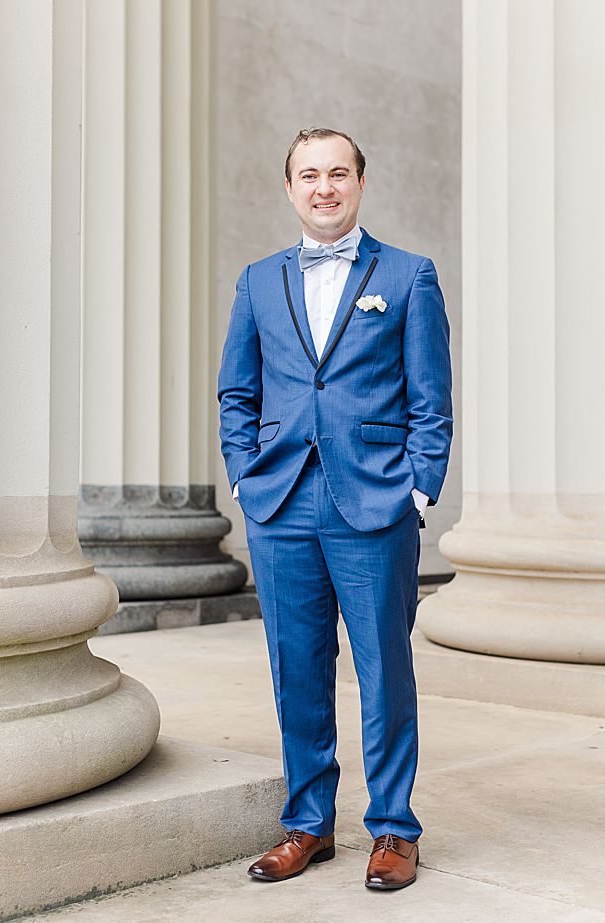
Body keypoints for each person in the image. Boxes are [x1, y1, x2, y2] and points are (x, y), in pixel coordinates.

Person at [218, 128, 452, 891]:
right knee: (297, 668)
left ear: (359, 184)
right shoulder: (257, 281)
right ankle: (309, 823)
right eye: (309, 175)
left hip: (374, 500)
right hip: (280, 501)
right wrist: (247, 481)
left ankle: (393, 828)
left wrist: (417, 488)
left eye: (338, 173)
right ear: (290, 188)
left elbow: (431, 400)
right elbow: (237, 393)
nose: (325, 187)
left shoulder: (409, 276)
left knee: (384, 668)